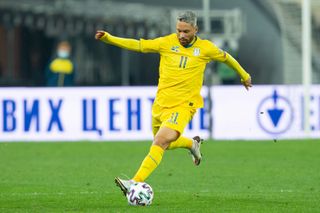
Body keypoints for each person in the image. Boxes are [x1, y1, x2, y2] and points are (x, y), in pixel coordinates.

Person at [95, 11, 252, 196]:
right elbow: (138, 45)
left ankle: (134, 182)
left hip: (184, 106)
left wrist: (245, 76)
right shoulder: (166, 42)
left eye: (186, 31)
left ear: (195, 29)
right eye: (179, 30)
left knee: (160, 141)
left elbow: (227, 58)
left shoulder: (205, 48)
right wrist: (109, 39)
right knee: (165, 144)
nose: (181, 35)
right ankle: (192, 144)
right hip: (160, 105)